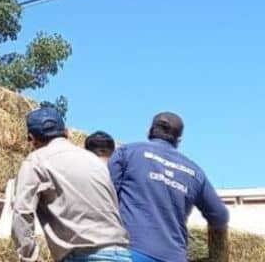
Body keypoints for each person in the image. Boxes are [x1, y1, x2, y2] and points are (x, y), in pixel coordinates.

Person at [12, 106, 131, 262]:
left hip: (84, 256)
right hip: (122, 253)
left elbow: (22, 212)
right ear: (66, 132)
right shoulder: (93, 160)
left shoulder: (36, 161)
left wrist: (29, 257)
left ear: (31, 138)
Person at [109, 112, 229, 262]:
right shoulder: (194, 172)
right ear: (179, 140)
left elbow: (106, 195)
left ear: (149, 131)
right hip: (173, 257)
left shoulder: (127, 152)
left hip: (131, 251)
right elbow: (220, 215)